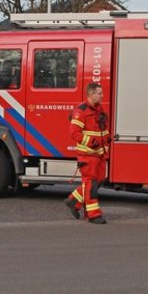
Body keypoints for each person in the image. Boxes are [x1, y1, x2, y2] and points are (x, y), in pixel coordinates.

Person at [64, 82, 110, 224]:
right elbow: (74, 133)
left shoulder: (100, 110)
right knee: (91, 185)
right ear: (91, 94)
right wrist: (91, 142)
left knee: (100, 180)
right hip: (88, 155)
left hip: (100, 154)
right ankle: (93, 215)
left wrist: (107, 139)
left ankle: (73, 200)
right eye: (99, 93)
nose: (102, 95)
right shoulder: (81, 111)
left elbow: (103, 130)